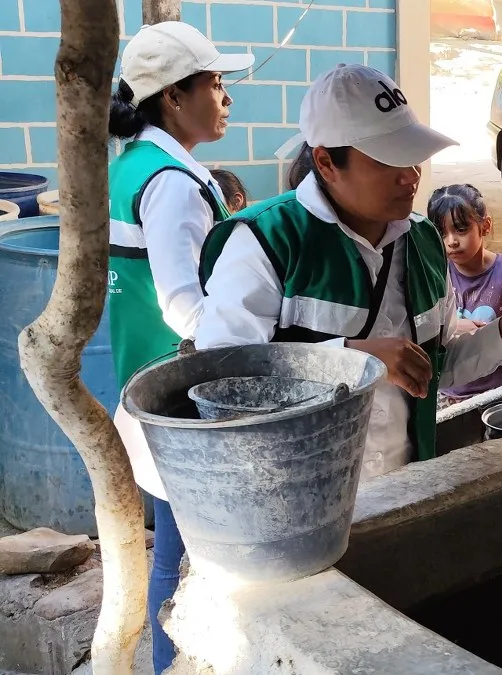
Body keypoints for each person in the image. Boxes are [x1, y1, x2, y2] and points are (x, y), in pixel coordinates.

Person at [194, 63, 502, 475]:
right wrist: (354, 361)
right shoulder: (266, 242)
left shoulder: (424, 243)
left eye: (414, 157)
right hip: (298, 496)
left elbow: (433, 368)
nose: (412, 177)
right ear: (327, 163)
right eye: (388, 162)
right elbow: (221, 381)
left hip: (403, 477)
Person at [103, 21, 253, 675]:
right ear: (173, 97)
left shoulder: (129, 165)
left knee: (172, 548)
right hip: (179, 397)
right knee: (201, 557)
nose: (226, 98)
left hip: (142, 383)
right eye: (216, 85)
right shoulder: (171, 183)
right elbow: (182, 303)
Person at [428, 184, 502, 404]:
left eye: (461, 229)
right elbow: (419, 332)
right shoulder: (435, 273)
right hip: (446, 395)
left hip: (498, 392)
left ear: (485, 226)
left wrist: (496, 332)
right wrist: (457, 326)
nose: (451, 241)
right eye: (442, 232)